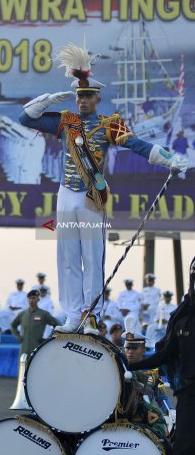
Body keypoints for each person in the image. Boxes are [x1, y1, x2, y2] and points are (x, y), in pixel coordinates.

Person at [19, 42, 187, 334]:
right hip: (65, 194)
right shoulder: (65, 122)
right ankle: (72, 314)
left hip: (91, 196)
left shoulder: (110, 125)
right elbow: (25, 119)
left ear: (97, 99)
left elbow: (138, 145)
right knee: (67, 256)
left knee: (92, 257)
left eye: (87, 96)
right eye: (78, 96)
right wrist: (47, 100)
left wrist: (169, 159)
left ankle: (91, 314)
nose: (81, 101)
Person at [127, 257, 195, 455]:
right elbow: (165, 355)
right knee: (183, 453)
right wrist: (132, 366)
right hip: (189, 394)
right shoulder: (182, 316)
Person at [10, 290, 60, 357]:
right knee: (22, 366)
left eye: (33, 298)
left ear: (38, 299)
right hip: (24, 349)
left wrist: (48, 339)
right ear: (27, 300)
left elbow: (57, 325)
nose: (31, 300)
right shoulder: (23, 314)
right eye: (29, 298)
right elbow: (13, 325)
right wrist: (18, 337)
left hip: (37, 349)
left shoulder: (43, 314)